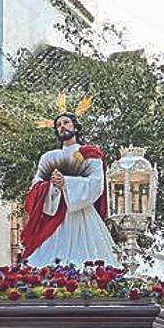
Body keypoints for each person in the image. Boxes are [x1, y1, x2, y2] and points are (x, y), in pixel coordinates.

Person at [20, 112, 118, 267]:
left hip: (82, 214)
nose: (62, 127)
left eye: (66, 122)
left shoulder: (89, 154)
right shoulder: (48, 158)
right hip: (53, 214)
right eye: (58, 125)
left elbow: (97, 183)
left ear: (75, 126)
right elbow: (35, 185)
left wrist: (66, 182)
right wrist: (52, 186)